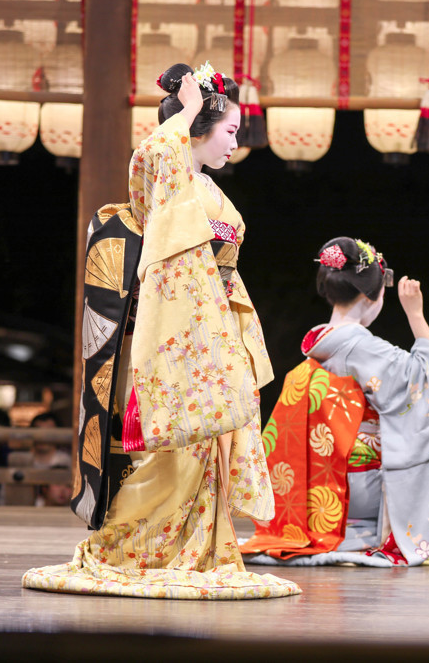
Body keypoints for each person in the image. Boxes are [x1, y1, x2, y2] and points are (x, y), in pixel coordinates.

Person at [23, 62, 299, 600]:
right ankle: (123, 548)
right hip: (175, 332)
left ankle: (195, 550)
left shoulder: (210, 189)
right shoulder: (165, 171)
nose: (236, 143)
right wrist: (189, 111)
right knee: (170, 451)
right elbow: (153, 155)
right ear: (198, 127)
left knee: (206, 452)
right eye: (231, 130)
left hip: (212, 331)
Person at [241, 237, 429, 566]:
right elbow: (427, 380)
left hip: (324, 477)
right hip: (359, 483)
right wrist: (415, 314)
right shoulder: (363, 347)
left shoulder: (322, 340)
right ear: (369, 296)